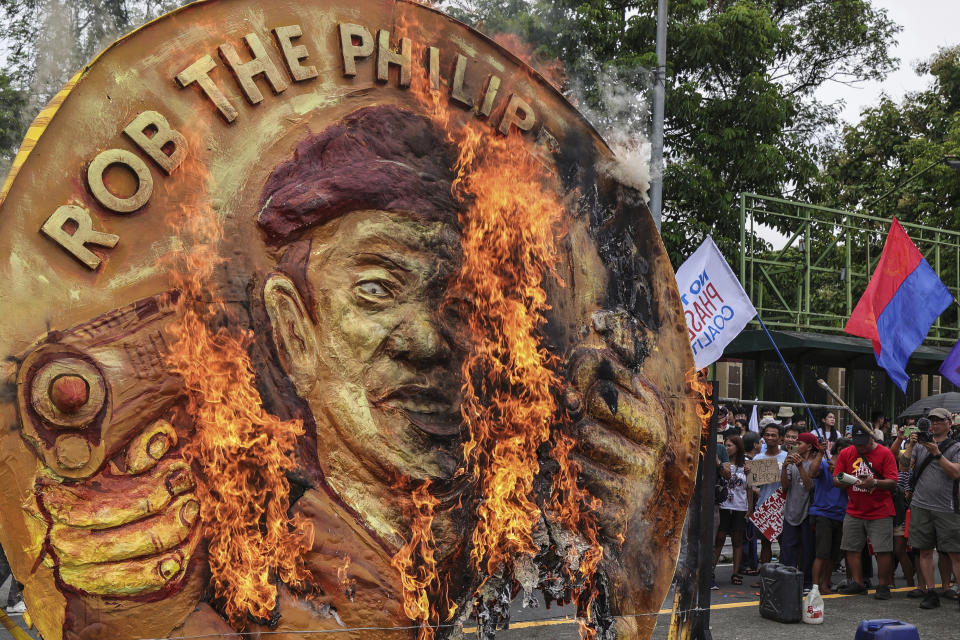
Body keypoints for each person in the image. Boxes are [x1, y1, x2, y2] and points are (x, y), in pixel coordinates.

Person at [905, 407, 960, 610]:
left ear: (949, 423)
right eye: (931, 421)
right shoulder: (919, 445)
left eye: (939, 420)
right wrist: (910, 445)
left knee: (955, 553)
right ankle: (930, 592)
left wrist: (936, 453)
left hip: (947, 506)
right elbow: (903, 466)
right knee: (924, 551)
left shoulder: (956, 447)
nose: (934, 424)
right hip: (921, 504)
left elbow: (955, 473)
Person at [834, 428, 898, 599]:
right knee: (851, 548)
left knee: (882, 550)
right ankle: (857, 582)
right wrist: (845, 480)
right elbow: (836, 479)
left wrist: (874, 482)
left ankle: (883, 585)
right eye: (857, 443)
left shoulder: (885, 453)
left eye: (864, 443)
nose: (860, 447)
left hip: (880, 510)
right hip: (854, 509)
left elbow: (893, 481)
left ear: (872, 438)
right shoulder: (847, 452)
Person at [809, 438, 851, 594]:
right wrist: (820, 452)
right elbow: (812, 473)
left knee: (832, 556)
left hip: (840, 514)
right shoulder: (824, 463)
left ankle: (825, 583)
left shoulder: (845, 467)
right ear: (841, 450)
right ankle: (815, 586)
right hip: (823, 514)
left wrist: (839, 473)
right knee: (822, 553)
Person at [779, 432, 820, 590]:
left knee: (807, 549)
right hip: (791, 510)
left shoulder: (816, 463)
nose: (796, 445)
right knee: (788, 548)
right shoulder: (790, 461)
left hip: (808, 512)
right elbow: (785, 486)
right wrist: (784, 467)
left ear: (809, 446)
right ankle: (786, 582)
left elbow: (811, 486)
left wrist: (800, 466)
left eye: (800, 442)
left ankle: (806, 583)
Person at [747, 423, 788, 576]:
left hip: (782, 507)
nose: (770, 438)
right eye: (767, 435)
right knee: (765, 544)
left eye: (774, 435)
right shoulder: (758, 457)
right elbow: (753, 484)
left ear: (780, 439)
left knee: (785, 543)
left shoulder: (786, 457)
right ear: (763, 437)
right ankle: (765, 577)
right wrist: (748, 474)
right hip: (764, 505)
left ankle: (784, 576)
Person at [715, 435, 748, 585]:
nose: (727, 448)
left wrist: (750, 508)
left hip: (740, 506)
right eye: (726, 445)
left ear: (738, 447)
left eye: (730, 445)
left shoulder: (746, 465)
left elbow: (749, 488)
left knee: (737, 539)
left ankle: (735, 573)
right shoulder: (722, 464)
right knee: (720, 538)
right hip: (723, 505)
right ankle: (711, 570)